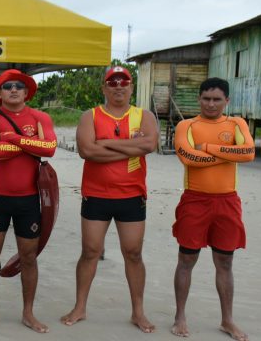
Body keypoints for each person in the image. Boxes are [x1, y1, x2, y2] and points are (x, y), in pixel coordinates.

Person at [61, 66, 158, 333]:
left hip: (131, 195)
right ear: (104, 88)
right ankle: (80, 306)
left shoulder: (143, 115)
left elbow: (149, 145)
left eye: (123, 82)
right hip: (96, 195)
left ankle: (138, 312)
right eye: (112, 82)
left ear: (131, 87)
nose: (118, 86)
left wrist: (105, 143)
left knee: (133, 253)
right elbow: (87, 151)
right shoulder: (90, 116)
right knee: (91, 251)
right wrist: (130, 147)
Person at [0, 69, 57, 333]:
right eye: (7, 86)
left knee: (29, 256)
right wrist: (31, 143)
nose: (13, 90)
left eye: (19, 86)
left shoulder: (40, 117)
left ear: (26, 91)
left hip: (29, 199)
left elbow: (50, 148)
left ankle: (28, 313)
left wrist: (14, 139)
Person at [171, 77, 254, 341]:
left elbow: (249, 152)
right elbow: (187, 157)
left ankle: (227, 320)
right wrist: (228, 152)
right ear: (199, 99)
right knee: (186, 259)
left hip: (227, 201)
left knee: (225, 262)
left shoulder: (236, 123)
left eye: (217, 99)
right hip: (195, 200)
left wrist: (207, 147)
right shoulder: (187, 125)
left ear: (226, 101)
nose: (210, 104)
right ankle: (180, 316)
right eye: (206, 98)